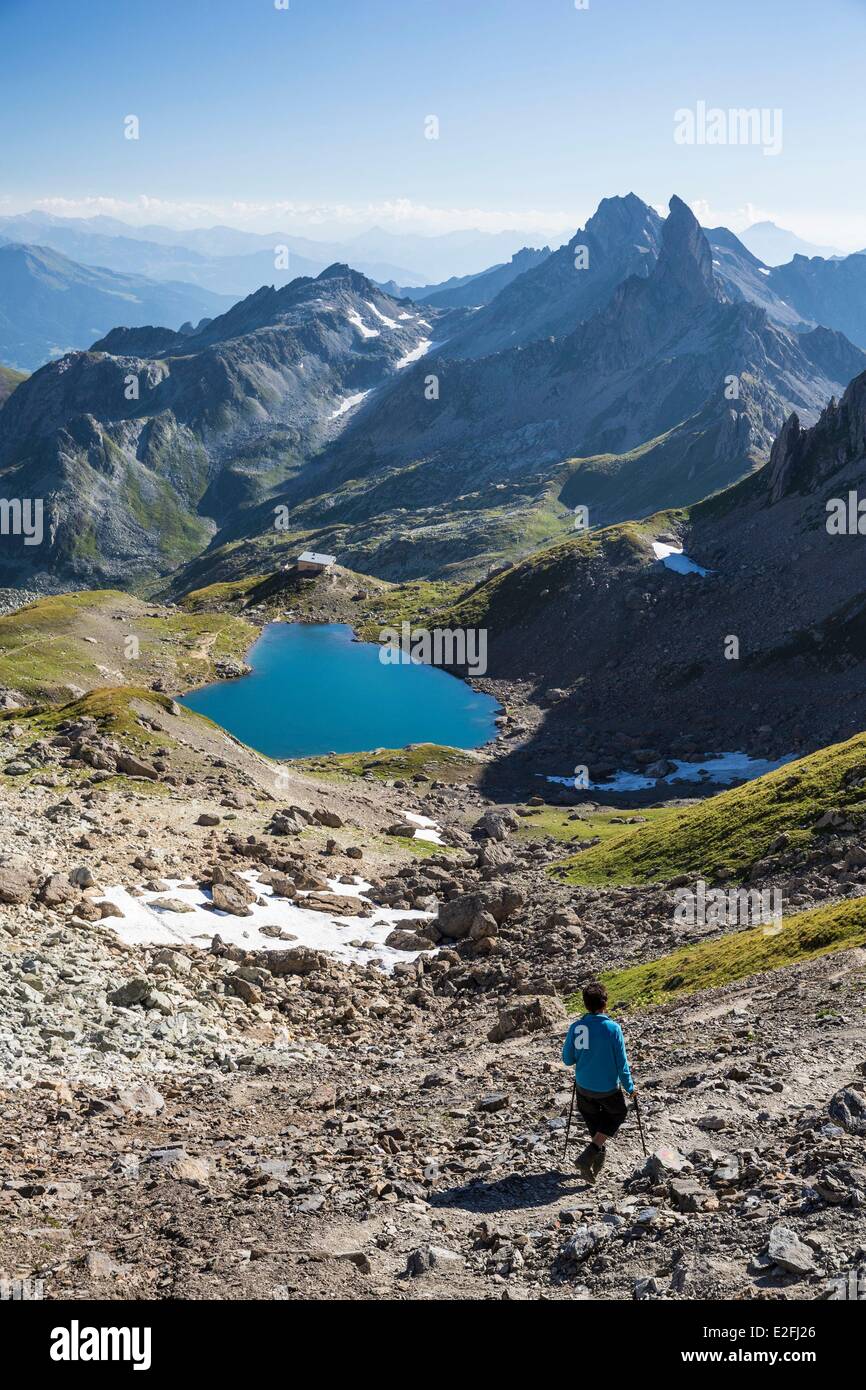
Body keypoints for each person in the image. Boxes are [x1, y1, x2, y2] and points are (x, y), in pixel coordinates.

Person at [561, 979, 636, 1182]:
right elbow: (622, 1063)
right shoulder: (612, 1028)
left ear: (585, 1004)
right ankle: (590, 1154)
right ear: (605, 1003)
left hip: (583, 1087)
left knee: (595, 1124)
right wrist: (630, 1087)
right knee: (619, 1112)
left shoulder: (576, 1027)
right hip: (608, 1089)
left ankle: (594, 1157)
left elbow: (567, 1059)